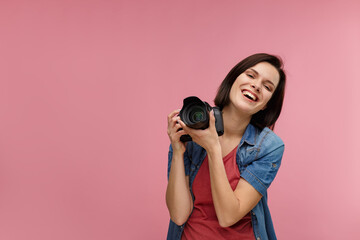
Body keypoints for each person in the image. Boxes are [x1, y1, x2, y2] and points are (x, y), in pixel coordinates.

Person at [166, 53, 286, 240]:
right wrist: (177, 151)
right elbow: (178, 215)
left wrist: (213, 148)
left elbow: (228, 216)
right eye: (251, 76)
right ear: (233, 80)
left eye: (267, 86)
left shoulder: (269, 147)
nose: (256, 85)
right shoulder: (192, 129)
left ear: (266, 105)